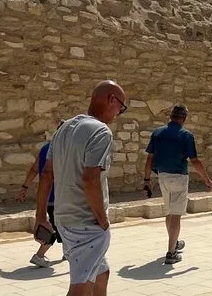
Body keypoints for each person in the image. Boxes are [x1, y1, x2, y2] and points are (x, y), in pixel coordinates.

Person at [34, 80, 127, 296]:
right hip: (87, 223)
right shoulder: (101, 132)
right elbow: (90, 179)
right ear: (111, 99)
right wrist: (102, 219)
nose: (118, 114)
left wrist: (40, 216)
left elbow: (46, 174)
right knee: (80, 287)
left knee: (101, 274)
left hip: (64, 219)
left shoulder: (63, 129)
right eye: (121, 108)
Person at [143, 104, 212, 264]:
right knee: (176, 214)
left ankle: (174, 242)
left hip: (162, 176)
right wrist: (207, 180)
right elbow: (194, 161)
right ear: (184, 118)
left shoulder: (157, 133)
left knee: (169, 212)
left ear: (171, 116)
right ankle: (171, 252)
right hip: (179, 177)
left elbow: (149, 158)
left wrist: (146, 180)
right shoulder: (186, 135)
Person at [17, 120, 65, 267]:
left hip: (47, 197)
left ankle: (68, 253)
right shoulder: (65, 150)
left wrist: (25, 187)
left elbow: (34, 169)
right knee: (57, 227)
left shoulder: (46, 148)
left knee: (62, 225)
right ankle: (39, 255)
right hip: (60, 197)